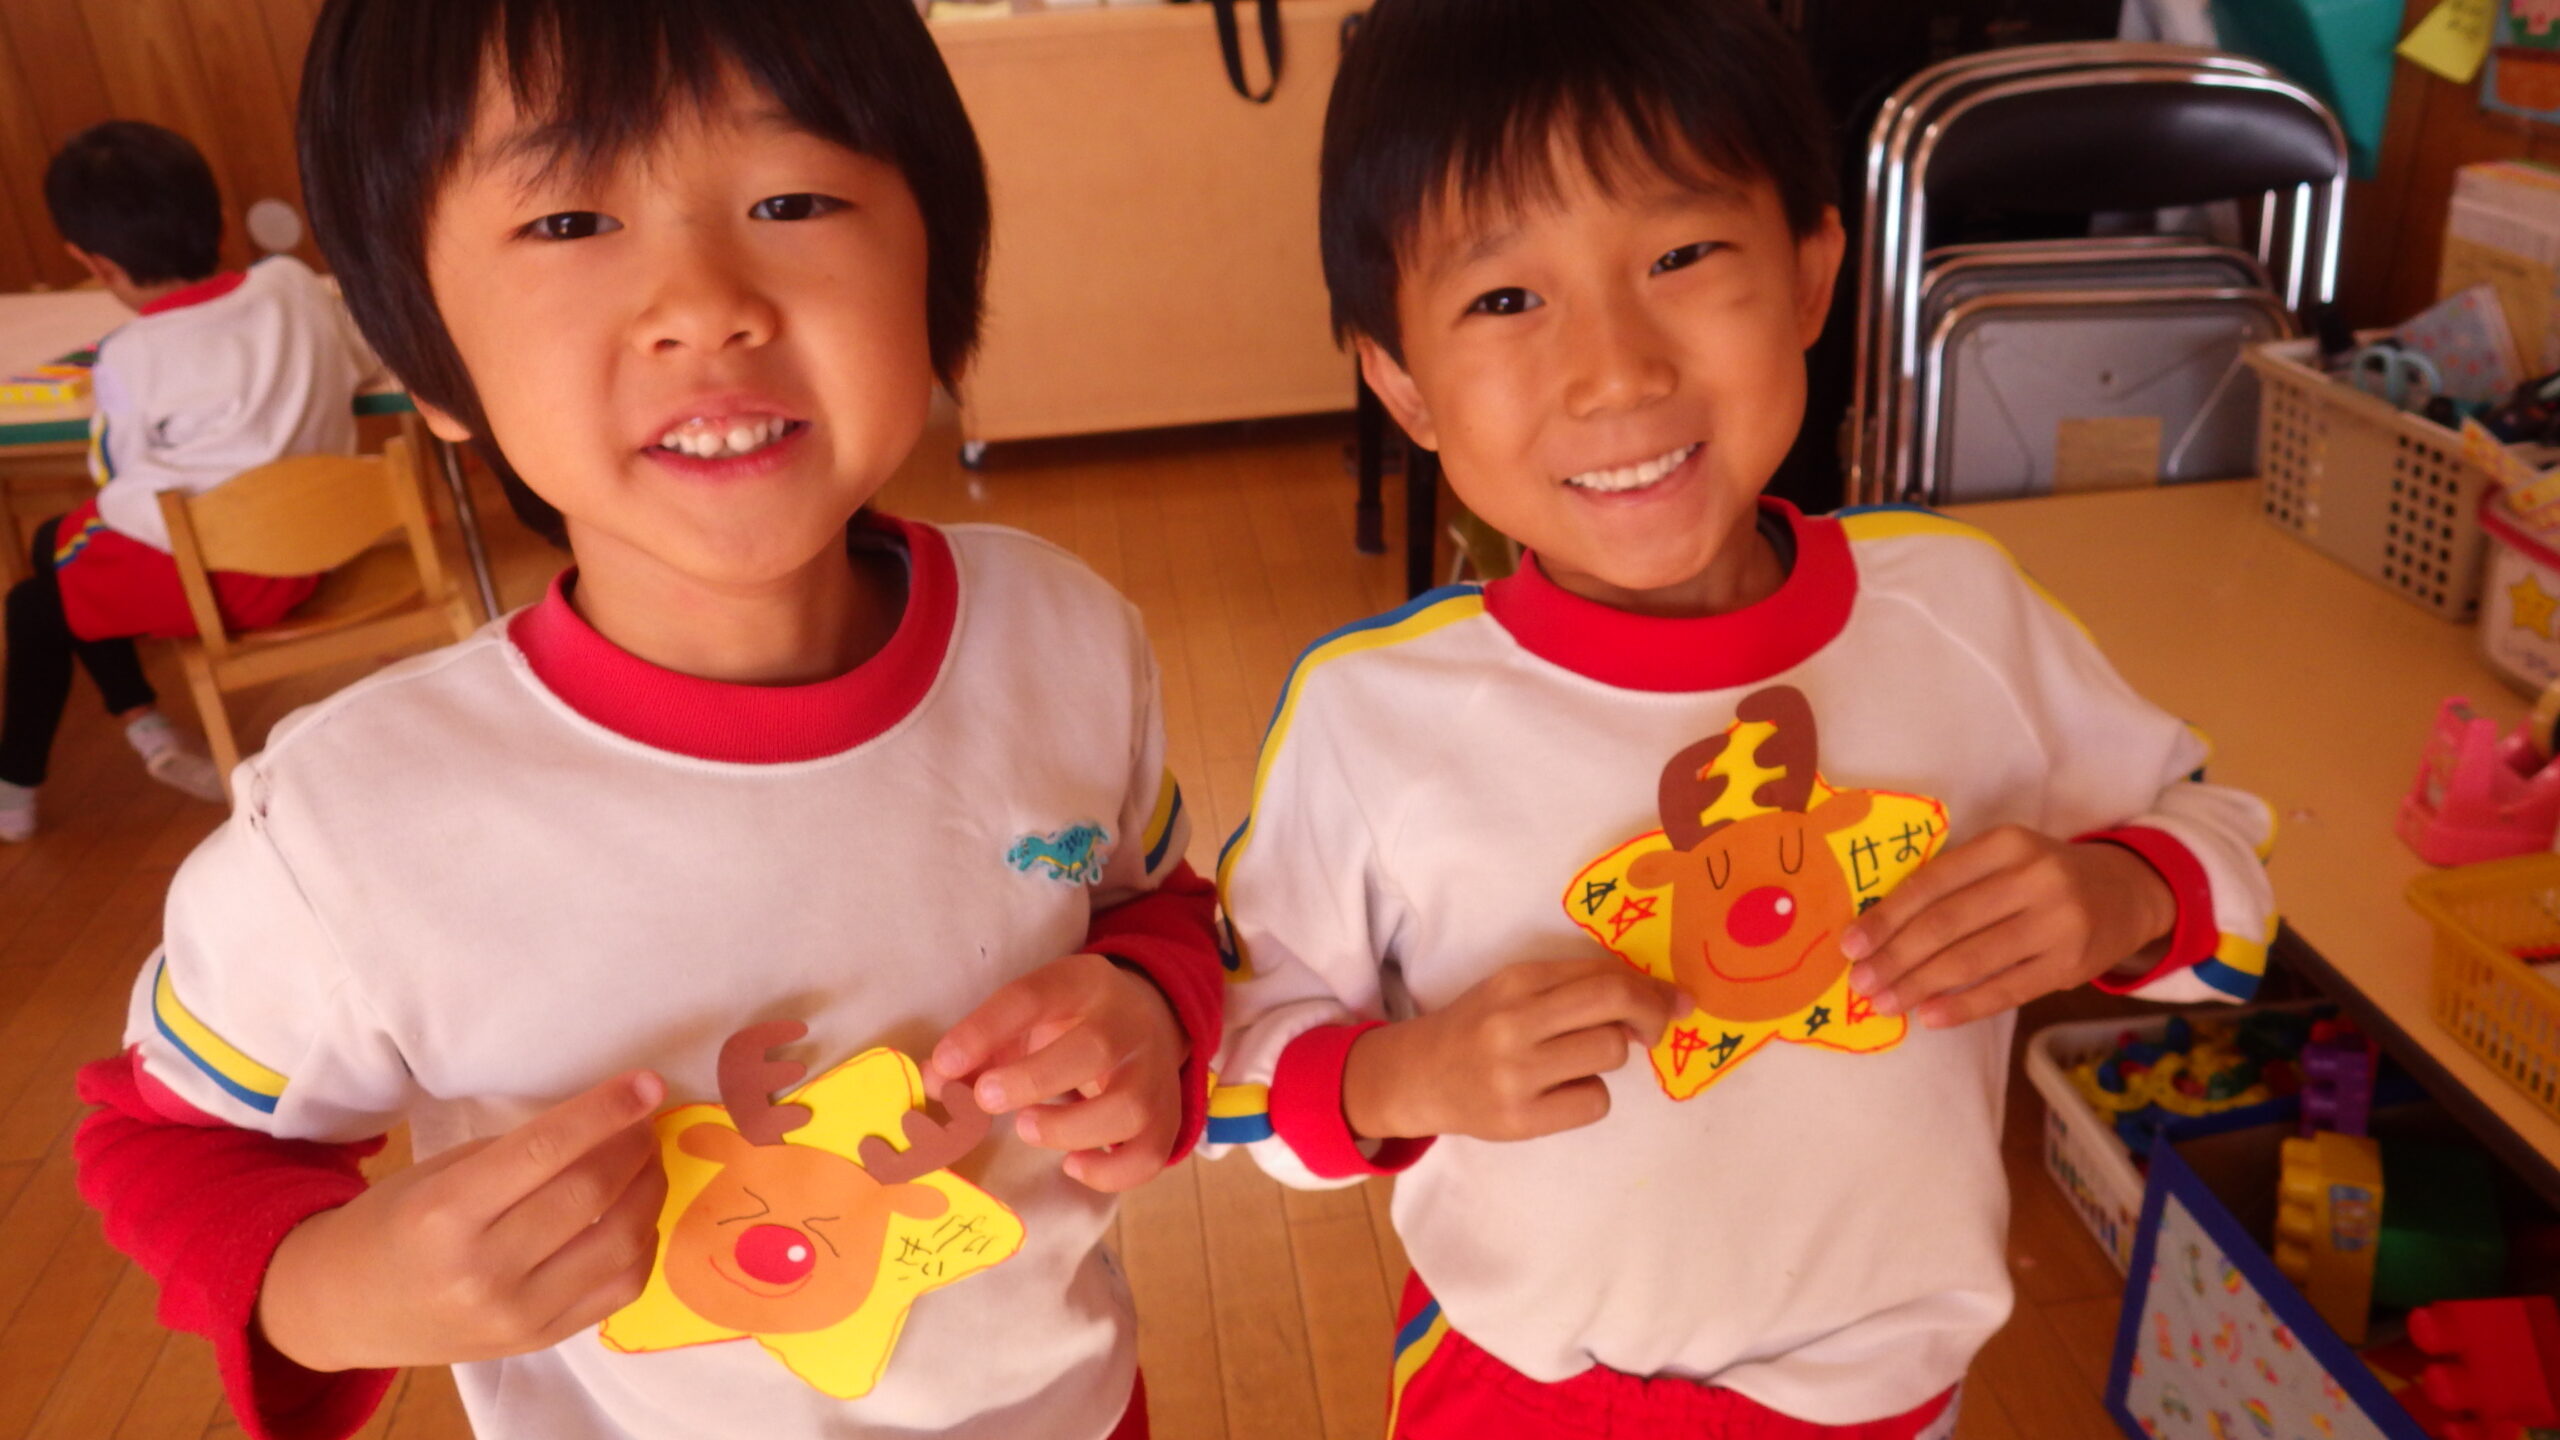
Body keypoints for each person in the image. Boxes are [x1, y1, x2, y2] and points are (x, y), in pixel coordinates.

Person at [72, 3, 1221, 1437]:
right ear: (428, 356)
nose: (704, 303)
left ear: (937, 264)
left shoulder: (1064, 637)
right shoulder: (352, 824)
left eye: (793, 200)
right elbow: (161, 1140)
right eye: (568, 222)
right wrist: (333, 1288)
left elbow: (1157, 905)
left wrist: (1151, 1004)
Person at [1205, 3, 2278, 1436]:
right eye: (1506, 300)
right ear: (1399, 378)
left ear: (1811, 274)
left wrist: (2121, 896)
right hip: (1515, 1399)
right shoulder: (1372, 718)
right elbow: (1232, 1064)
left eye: (1683, 256)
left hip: (1882, 1404)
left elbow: (2222, 843)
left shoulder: (1960, 613)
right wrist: (1407, 1075)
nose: (1618, 370)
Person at [4, 120, 376, 838]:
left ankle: (16, 787)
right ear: (223, 220)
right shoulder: (293, 286)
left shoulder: (128, 356)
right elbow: (360, 360)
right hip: (323, 537)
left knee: (33, 602)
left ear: (95, 263)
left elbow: (117, 474)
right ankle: (145, 728)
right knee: (55, 546)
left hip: (232, 575)